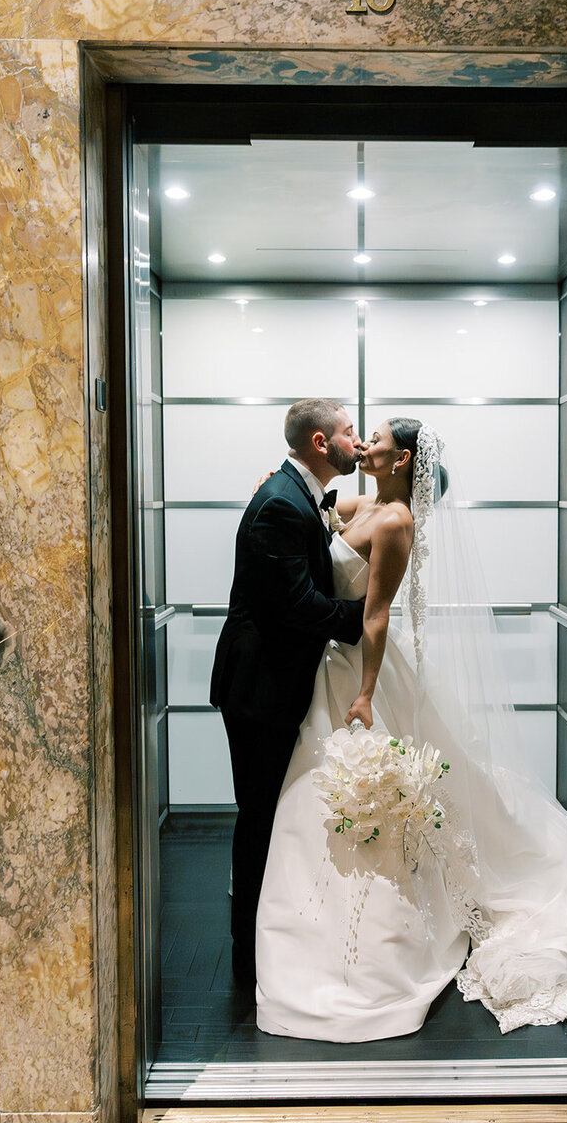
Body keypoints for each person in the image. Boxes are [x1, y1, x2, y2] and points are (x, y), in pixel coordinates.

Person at [255, 418, 567, 1041]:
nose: (363, 446)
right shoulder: (362, 502)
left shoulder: (397, 522)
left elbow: (375, 616)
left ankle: (376, 939)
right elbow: (314, 506)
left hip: (359, 668)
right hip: (326, 660)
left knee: (361, 792)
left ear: (400, 459)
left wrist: (367, 694)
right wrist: (273, 484)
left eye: (372, 440)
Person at [210, 398, 366, 986]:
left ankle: (266, 933)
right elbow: (295, 604)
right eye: (350, 432)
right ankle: (248, 952)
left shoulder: (296, 493)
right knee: (259, 815)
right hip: (260, 689)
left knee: (269, 811)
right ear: (321, 443)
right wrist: (367, 619)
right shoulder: (280, 502)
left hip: (275, 681)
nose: (357, 441)